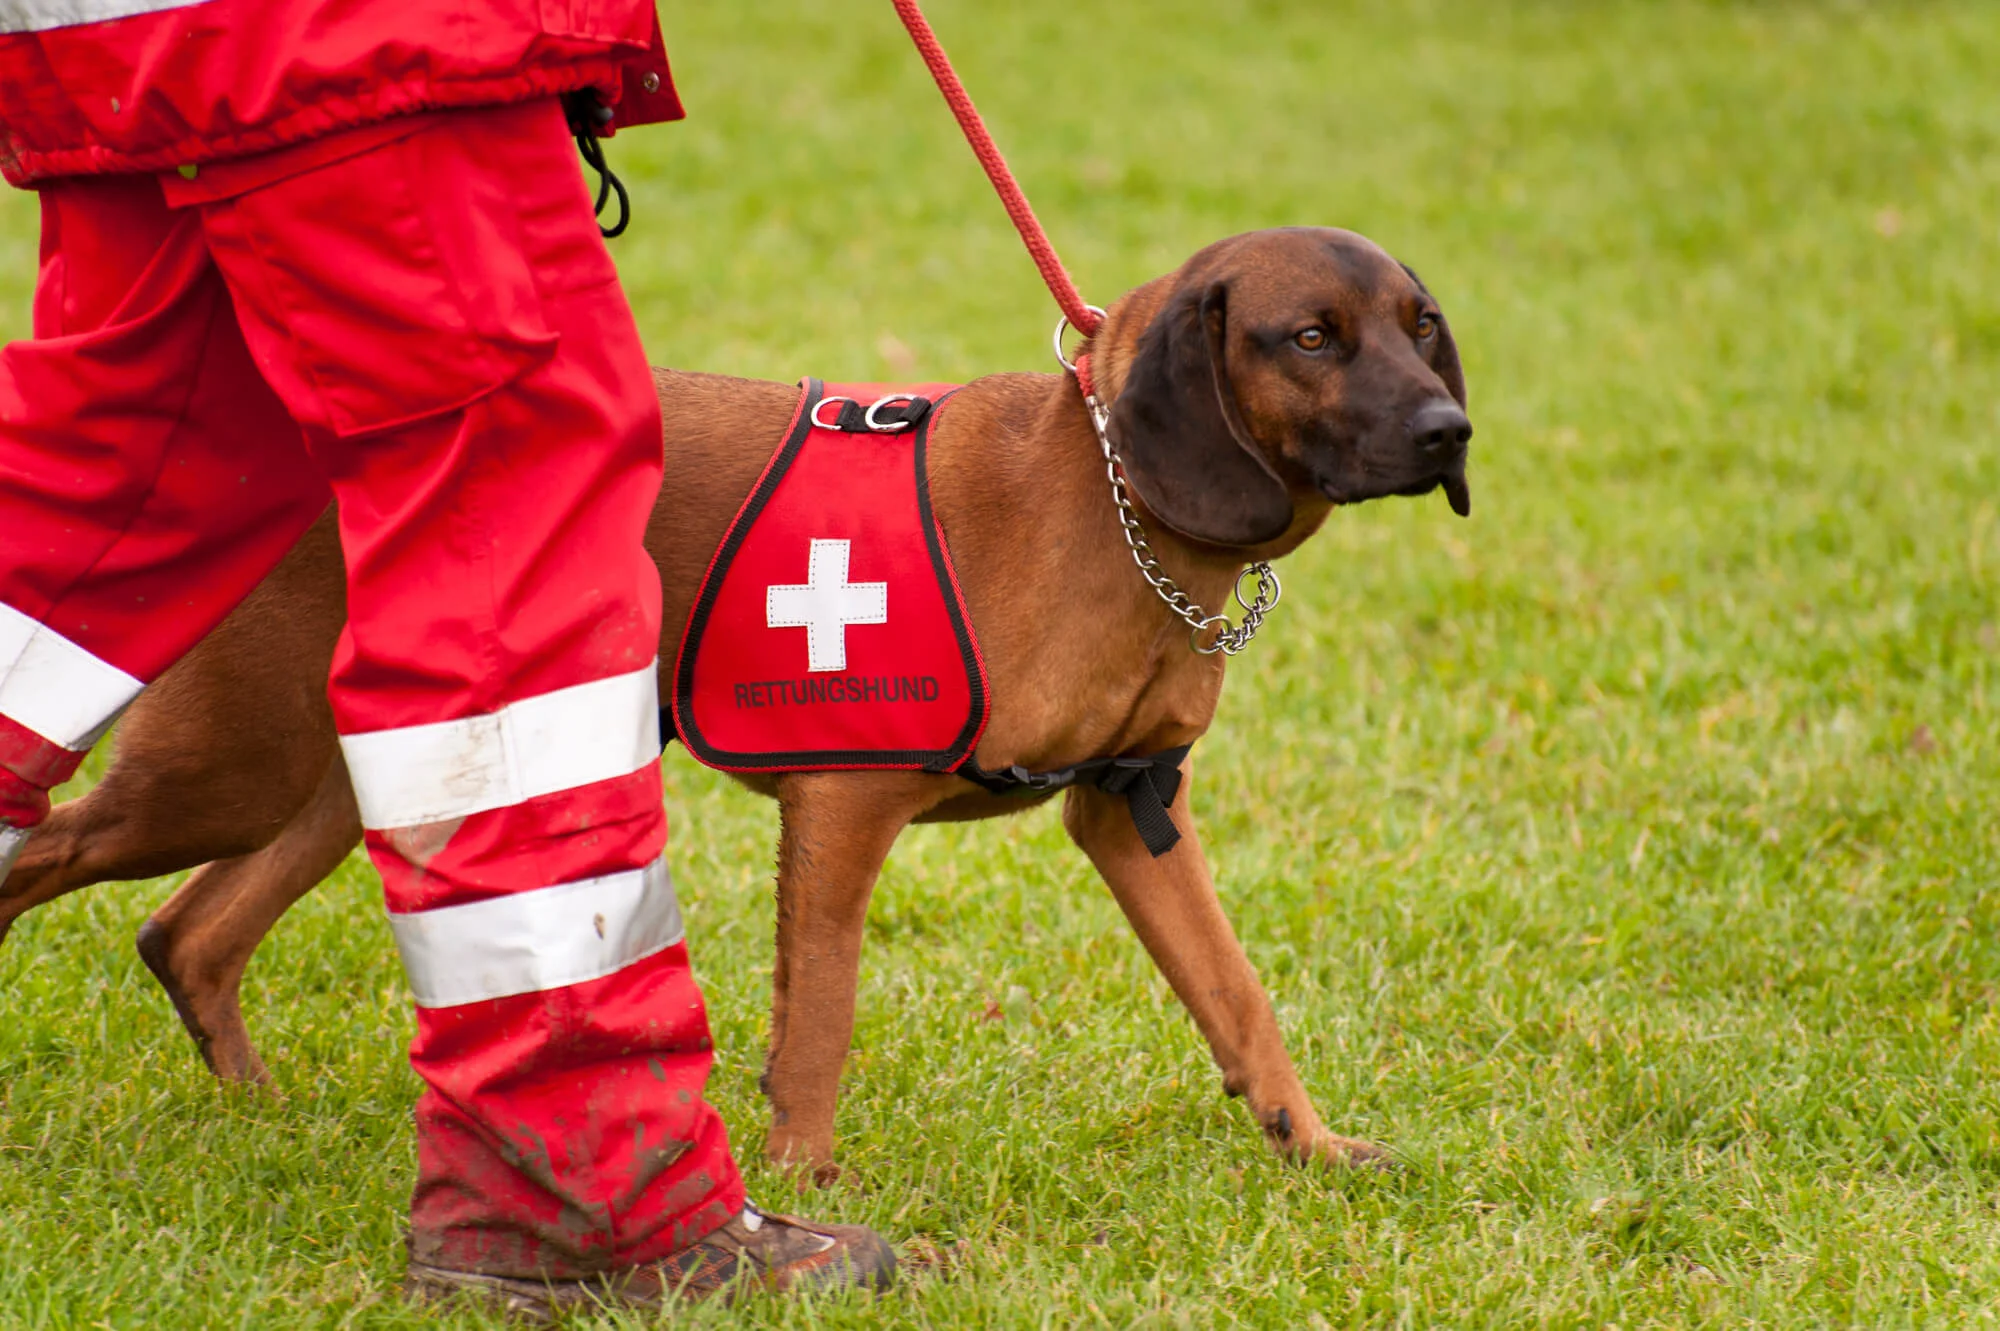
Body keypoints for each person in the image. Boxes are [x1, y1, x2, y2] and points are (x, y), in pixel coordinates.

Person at [0, 0, 891, 1313]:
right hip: (348, 37)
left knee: (119, 474)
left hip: (144, 36)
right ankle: (576, 1177)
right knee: (506, 505)